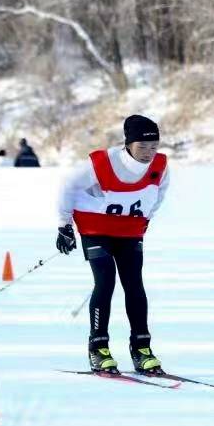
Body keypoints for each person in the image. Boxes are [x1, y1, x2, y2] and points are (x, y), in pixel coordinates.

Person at [56, 115, 170, 375]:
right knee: (105, 280)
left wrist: (146, 218)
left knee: (134, 284)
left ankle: (142, 349)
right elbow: (68, 186)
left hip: (129, 232)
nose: (149, 153)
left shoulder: (161, 165)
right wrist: (64, 225)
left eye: (154, 147)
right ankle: (98, 348)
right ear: (128, 144)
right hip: (95, 230)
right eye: (142, 147)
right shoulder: (103, 162)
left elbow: (159, 193)